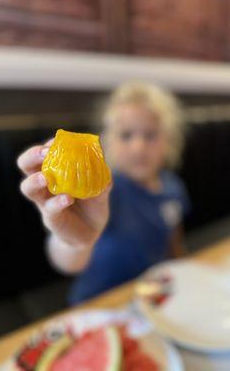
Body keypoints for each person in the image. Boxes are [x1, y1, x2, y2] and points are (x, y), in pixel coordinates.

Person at [17, 82, 190, 305]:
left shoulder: (173, 187)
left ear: (169, 141)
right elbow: (68, 262)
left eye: (150, 135)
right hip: (98, 302)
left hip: (147, 297)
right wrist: (72, 241)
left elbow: (173, 236)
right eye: (126, 135)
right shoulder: (101, 191)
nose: (138, 147)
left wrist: (183, 268)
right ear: (107, 142)